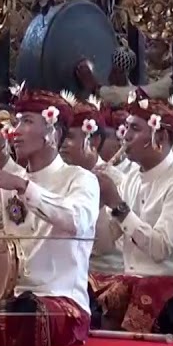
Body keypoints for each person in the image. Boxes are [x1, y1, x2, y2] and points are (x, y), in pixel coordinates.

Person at [0, 88, 98, 346]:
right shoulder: (5, 181)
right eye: (16, 121)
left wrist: (24, 187)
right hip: (14, 298)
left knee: (29, 313)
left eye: (27, 121)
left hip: (62, 301)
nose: (15, 131)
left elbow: (76, 219)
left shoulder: (80, 179)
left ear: (52, 132)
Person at [90, 92, 173, 330]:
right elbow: (104, 245)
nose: (126, 137)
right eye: (125, 128)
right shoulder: (131, 178)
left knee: (131, 293)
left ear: (160, 136)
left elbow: (159, 249)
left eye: (134, 129)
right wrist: (100, 203)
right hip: (134, 284)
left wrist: (117, 205)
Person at [58, 94, 125, 276]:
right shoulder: (58, 177)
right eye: (61, 136)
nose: (61, 144)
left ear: (93, 141)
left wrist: (100, 201)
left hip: (107, 276)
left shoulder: (117, 182)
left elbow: (107, 246)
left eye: (70, 137)